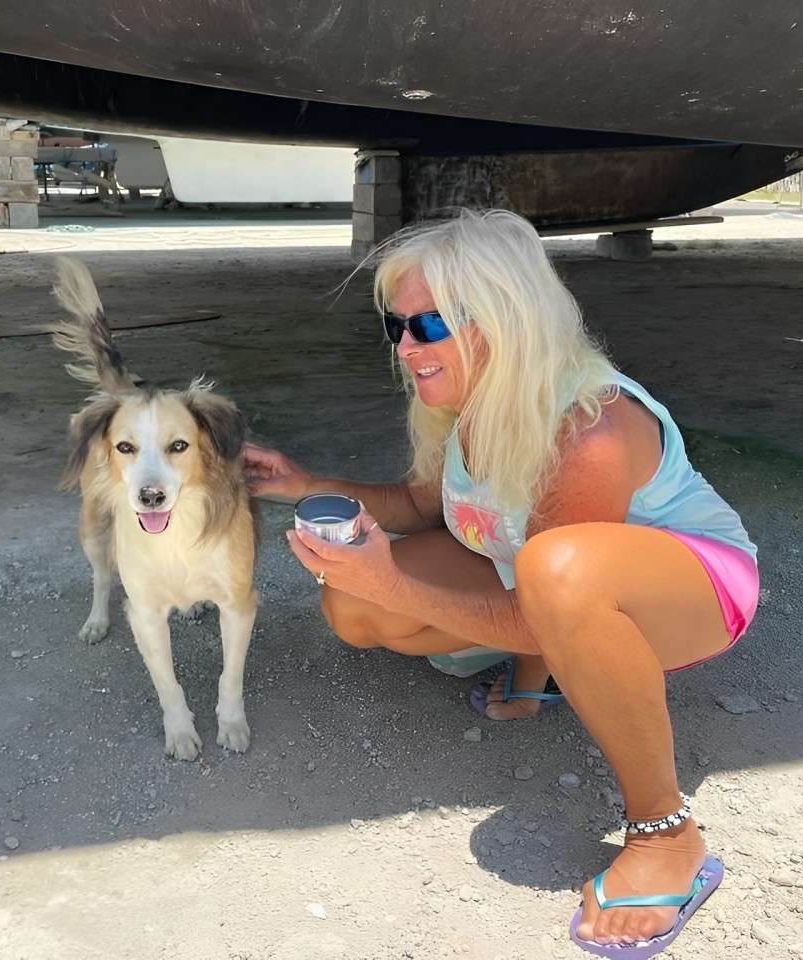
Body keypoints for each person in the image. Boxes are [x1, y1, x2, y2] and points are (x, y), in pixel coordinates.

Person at [242, 209, 758, 956]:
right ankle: (541, 677)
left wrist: (397, 583)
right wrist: (303, 483)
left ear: (502, 319)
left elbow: (552, 591)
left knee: (553, 570)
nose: (407, 347)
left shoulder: (591, 425)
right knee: (350, 604)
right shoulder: (469, 404)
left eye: (429, 325)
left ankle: (665, 833)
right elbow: (429, 508)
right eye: (398, 326)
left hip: (695, 588)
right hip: (554, 587)